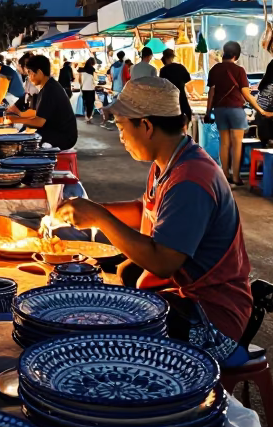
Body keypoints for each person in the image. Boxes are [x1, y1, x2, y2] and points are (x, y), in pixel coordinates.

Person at [55, 78, 253, 363]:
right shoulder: (170, 163)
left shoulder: (191, 179)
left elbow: (163, 261)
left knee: (92, 336)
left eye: (122, 127)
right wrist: (91, 210)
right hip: (179, 296)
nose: (120, 136)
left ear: (146, 126)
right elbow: (143, 210)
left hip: (209, 315)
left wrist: (100, 218)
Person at [205, 40, 273, 186]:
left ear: (224, 52)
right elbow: (246, 93)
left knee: (224, 143)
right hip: (236, 109)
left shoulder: (214, 69)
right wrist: (261, 110)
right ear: (236, 55)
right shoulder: (239, 70)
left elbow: (211, 92)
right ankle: (235, 177)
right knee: (236, 144)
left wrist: (208, 111)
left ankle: (224, 175)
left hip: (219, 110)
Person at [5, 54, 78, 150]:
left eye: (30, 73)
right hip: (54, 131)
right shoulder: (47, 87)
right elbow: (39, 117)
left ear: (39, 72)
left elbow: (39, 122)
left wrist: (15, 119)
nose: (29, 77)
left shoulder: (50, 89)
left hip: (63, 137)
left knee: (23, 145)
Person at [159, 49, 193, 120]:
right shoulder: (180, 67)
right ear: (172, 57)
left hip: (169, 103)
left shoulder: (163, 71)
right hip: (181, 100)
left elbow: (161, 85)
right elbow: (187, 79)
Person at [79, 57, 97, 123]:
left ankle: (87, 116)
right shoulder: (92, 70)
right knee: (90, 103)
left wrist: (81, 87)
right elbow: (94, 80)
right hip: (90, 89)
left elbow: (80, 81)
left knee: (86, 103)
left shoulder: (82, 70)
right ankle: (88, 117)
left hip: (84, 89)